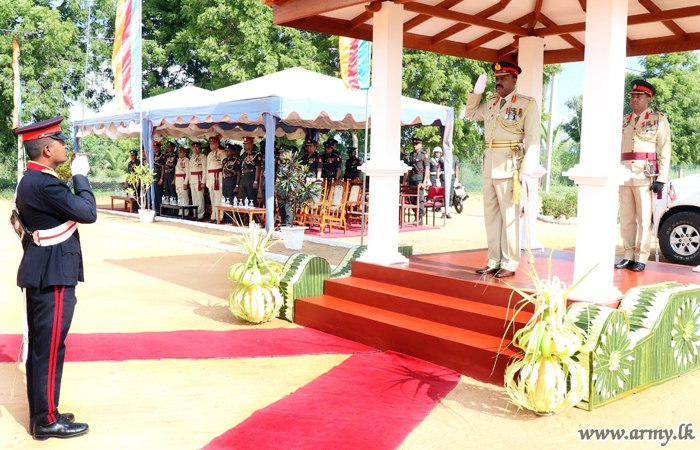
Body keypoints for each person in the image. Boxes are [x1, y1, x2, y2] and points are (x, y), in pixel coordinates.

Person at [14, 117, 94, 440]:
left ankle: (43, 413)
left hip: (41, 269)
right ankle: (46, 420)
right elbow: (87, 212)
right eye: (60, 141)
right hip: (53, 274)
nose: (64, 146)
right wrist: (80, 176)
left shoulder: (29, 180)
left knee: (41, 347)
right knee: (49, 348)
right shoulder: (46, 184)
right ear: (47, 149)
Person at [464, 61, 540, 278]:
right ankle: (494, 260)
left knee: (510, 217)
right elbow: (470, 113)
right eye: (497, 78)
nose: (499, 82)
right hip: (489, 166)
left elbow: (533, 139)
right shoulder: (491, 103)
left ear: (514, 80)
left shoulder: (526, 104)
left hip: (510, 167)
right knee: (491, 217)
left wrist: (527, 169)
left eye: (504, 78)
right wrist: (476, 93)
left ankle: (510, 262)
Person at [615, 80, 672, 272]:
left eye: (639, 96)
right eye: (632, 96)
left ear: (648, 99)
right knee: (626, 219)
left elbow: (665, 150)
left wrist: (661, 179)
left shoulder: (658, 119)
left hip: (645, 176)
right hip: (624, 175)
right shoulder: (623, 120)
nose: (634, 99)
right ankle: (628, 255)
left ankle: (641, 257)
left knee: (644, 220)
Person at [405, 137, 429, 226]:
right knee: (412, 199)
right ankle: (416, 216)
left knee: (420, 199)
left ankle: (420, 218)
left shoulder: (424, 155)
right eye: (414, 144)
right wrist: (407, 181)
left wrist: (424, 182)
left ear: (421, 145)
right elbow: (410, 169)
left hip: (420, 179)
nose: (415, 146)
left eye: (417, 144)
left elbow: (427, 169)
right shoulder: (411, 155)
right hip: (412, 179)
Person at [239, 136, 262, 207]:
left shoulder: (256, 154)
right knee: (245, 199)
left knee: (252, 199)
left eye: (247, 143)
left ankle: (253, 214)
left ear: (252, 143)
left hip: (251, 178)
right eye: (244, 144)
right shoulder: (244, 154)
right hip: (244, 178)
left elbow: (258, 169)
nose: (245, 145)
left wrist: (256, 181)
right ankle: (247, 214)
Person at [206, 136, 224, 222]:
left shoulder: (221, 153)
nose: (211, 145)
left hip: (218, 176)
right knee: (212, 198)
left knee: (218, 197)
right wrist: (207, 180)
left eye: (213, 143)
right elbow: (207, 168)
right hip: (211, 177)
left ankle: (219, 217)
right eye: (210, 144)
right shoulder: (210, 154)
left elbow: (224, 166)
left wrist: (223, 179)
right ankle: (213, 216)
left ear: (217, 144)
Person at [188, 142, 207, 220]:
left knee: (199, 197)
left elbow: (205, 170)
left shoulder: (203, 157)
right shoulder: (192, 157)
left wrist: (203, 182)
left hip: (199, 178)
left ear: (200, 149)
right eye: (194, 148)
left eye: (197, 148)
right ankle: (195, 213)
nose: (195, 150)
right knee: (194, 198)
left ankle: (200, 214)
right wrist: (189, 181)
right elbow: (190, 170)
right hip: (193, 179)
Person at [221, 144, 238, 223]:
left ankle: (232, 219)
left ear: (232, 152)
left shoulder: (235, 160)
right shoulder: (224, 160)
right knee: (225, 200)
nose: (227, 152)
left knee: (231, 200)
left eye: (229, 151)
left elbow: (238, 174)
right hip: (225, 181)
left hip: (232, 181)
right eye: (226, 151)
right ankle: (227, 218)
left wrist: (237, 185)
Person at [153, 141, 165, 214]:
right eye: (154, 147)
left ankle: (160, 210)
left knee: (158, 193)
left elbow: (163, 168)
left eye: (156, 147)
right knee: (154, 192)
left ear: (159, 148)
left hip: (159, 174)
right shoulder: (152, 155)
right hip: (153, 174)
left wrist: (161, 179)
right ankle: (155, 208)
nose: (155, 148)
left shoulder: (162, 156)